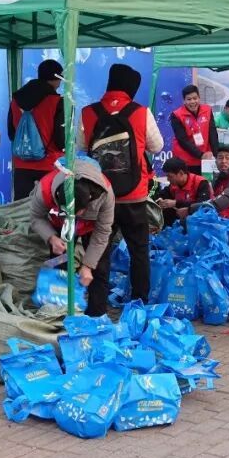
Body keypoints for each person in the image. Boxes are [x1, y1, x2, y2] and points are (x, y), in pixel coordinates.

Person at [81, 64, 163, 308]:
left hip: (98, 194)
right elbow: (157, 146)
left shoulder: (88, 112)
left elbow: (81, 145)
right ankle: (139, 305)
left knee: (98, 250)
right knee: (139, 252)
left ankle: (97, 309)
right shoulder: (141, 112)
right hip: (133, 195)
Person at [29, 159, 115, 317]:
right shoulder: (45, 188)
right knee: (60, 263)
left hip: (93, 227)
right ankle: (59, 313)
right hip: (61, 227)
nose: (74, 216)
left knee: (99, 268)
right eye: (68, 212)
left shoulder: (105, 194)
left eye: (77, 212)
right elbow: (36, 217)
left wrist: (88, 265)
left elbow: (102, 232)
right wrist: (51, 237)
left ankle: (96, 316)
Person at [8, 60, 66, 200]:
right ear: (56, 78)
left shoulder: (15, 101)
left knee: (21, 208)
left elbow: (11, 133)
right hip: (49, 165)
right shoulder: (57, 102)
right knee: (48, 209)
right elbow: (61, 140)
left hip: (21, 165)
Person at [170, 85, 219, 175]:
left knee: (204, 182)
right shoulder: (176, 115)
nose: (192, 102)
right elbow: (182, 140)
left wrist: (216, 155)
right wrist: (200, 155)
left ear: (199, 98)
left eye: (195, 98)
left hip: (205, 159)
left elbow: (212, 133)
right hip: (185, 160)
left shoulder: (207, 110)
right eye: (189, 99)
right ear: (184, 101)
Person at [155, 158, 212, 227]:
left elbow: (202, 205)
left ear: (181, 173)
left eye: (170, 176)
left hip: (201, 220)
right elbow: (162, 194)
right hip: (181, 219)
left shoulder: (201, 182)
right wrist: (160, 199)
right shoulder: (174, 185)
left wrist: (176, 203)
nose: (168, 179)